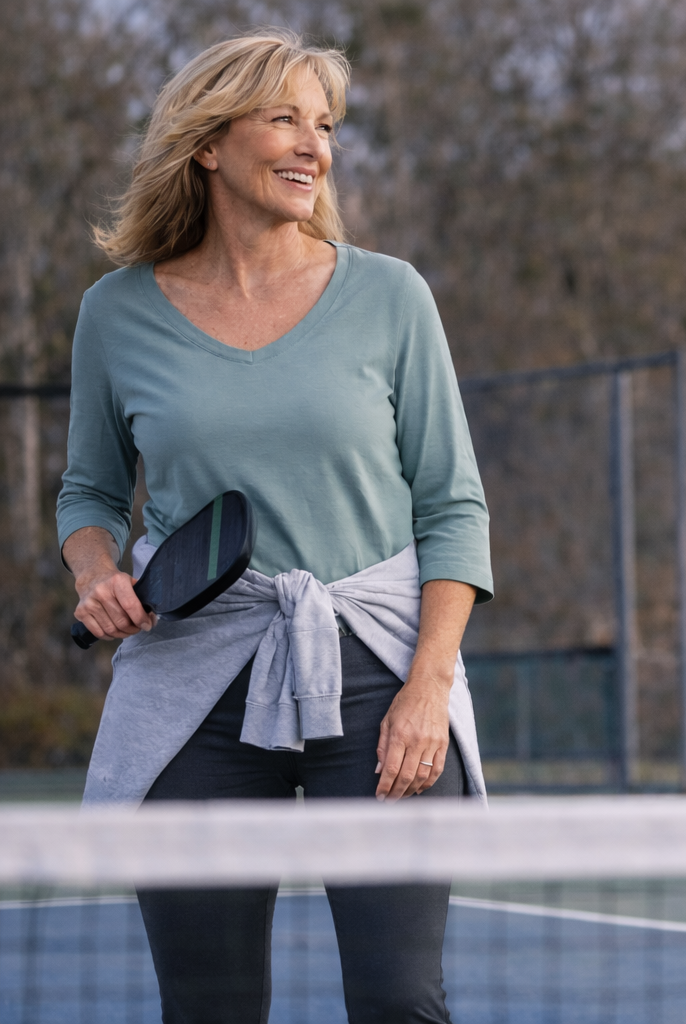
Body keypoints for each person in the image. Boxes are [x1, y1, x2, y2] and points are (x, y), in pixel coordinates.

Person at [55, 29, 492, 1024]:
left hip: (384, 677)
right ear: (208, 144)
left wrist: (429, 687)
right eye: (284, 118)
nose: (314, 146)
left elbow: (453, 503)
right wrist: (93, 570)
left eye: (326, 125)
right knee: (208, 1010)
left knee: (398, 1002)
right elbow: (87, 490)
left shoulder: (392, 296)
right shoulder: (115, 314)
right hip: (196, 679)